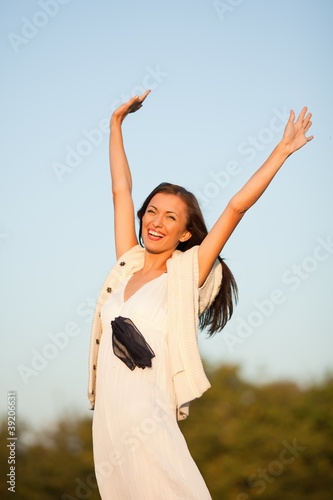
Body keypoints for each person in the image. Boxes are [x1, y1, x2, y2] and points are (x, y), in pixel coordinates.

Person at [88, 90, 313, 499]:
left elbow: (235, 208)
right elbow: (121, 190)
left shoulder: (185, 274)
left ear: (185, 233)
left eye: (170, 217)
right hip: (107, 422)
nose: (156, 222)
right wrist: (115, 124)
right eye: (152, 212)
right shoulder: (127, 265)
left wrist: (282, 151)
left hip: (148, 418)